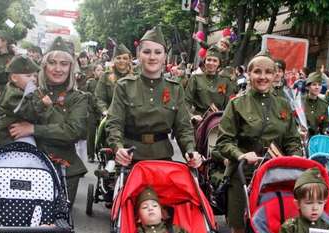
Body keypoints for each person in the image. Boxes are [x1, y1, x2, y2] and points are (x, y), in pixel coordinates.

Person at [216, 52, 303, 233]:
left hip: (274, 177)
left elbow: (292, 139)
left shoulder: (284, 105)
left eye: (268, 72)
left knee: (276, 229)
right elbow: (223, 142)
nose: (262, 77)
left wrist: (295, 156)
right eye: (257, 72)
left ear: (276, 75)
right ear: (249, 74)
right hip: (243, 176)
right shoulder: (237, 104)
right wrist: (241, 154)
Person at [6, 37, 88, 206]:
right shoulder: (29, 92)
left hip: (64, 169)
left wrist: (34, 129)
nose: (58, 69)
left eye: (64, 64)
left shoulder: (78, 98)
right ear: (44, 65)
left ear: (71, 68)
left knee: (56, 225)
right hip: (27, 168)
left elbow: (72, 132)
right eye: (52, 62)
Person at [107, 27, 201, 168]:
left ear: (164, 57)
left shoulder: (175, 89)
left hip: (162, 159)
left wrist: (190, 151)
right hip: (129, 158)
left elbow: (184, 128)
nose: (152, 57)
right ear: (139, 55)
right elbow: (114, 123)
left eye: (158, 52)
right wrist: (118, 148)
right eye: (146, 52)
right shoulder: (125, 86)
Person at [0, 55, 51, 145]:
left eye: (35, 76)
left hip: (20, 132)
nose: (33, 79)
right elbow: (26, 111)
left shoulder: (23, 90)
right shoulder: (13, 94)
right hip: (9, 136)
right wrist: (42, 104)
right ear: (14, 78)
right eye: (28, 76)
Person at [185, 46, 236, 122]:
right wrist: (191, 116)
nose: (211, 63)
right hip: (199, 120)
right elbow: (186, 101)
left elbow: (230, 105)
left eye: (215, 61)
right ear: (204, 61)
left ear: (219, 63)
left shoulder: (225, 81)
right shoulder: (195, 79)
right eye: (208, 60)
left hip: (219, 120)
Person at [94, 43, 132, 117]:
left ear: (129, 60)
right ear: (113, 59)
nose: (121, 61)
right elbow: (99, 97)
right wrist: (104, 111)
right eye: (118, 58)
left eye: (125, 58)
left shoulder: (135, 77)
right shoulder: (106, 76)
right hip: (111, 116)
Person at [85, 63, 104, 161]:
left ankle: (101, 154)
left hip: (101, 112)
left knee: (101, 134)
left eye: (102, 70)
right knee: (91, 134)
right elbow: (84, 96)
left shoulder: (105, 83)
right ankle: (90, 155)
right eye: (98, 70)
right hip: (91, 111)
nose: (100, 72)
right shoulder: (90, 82)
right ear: (94, 72)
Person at [301, 72, 329, 137]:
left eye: (319, 85)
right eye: (314, 84)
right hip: (299, 139)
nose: (317, 87)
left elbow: (325, 125)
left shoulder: (323, 104)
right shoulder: (299, 102)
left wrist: (326, 131)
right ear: (308, 87)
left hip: (315, 140)